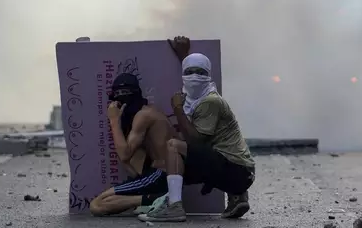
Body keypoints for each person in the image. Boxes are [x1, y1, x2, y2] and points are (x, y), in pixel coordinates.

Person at [138, 36, 255, 222]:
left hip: (238, 172)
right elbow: (191, 81)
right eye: (189, 71)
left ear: (208, 75)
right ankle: (236, 196)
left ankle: (174, 206)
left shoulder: (210, 101)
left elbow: (196, 141)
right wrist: (184, 55)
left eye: (199, 72)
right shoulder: (196, 97)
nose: (194, 76)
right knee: (168, 163)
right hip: (231, 167)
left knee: (174, 147)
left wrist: (177, 110)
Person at [89, 73, 177, 216]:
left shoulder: (144, 116)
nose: (123, 98)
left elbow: (124, 155)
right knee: (106, 201)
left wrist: (114, 121)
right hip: (160, 175)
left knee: (96, 205)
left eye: (126, 93)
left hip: (161, 174)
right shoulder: (147, 112)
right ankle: (151, 198)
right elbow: (131, 161)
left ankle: (154, 199)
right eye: (119, 94)